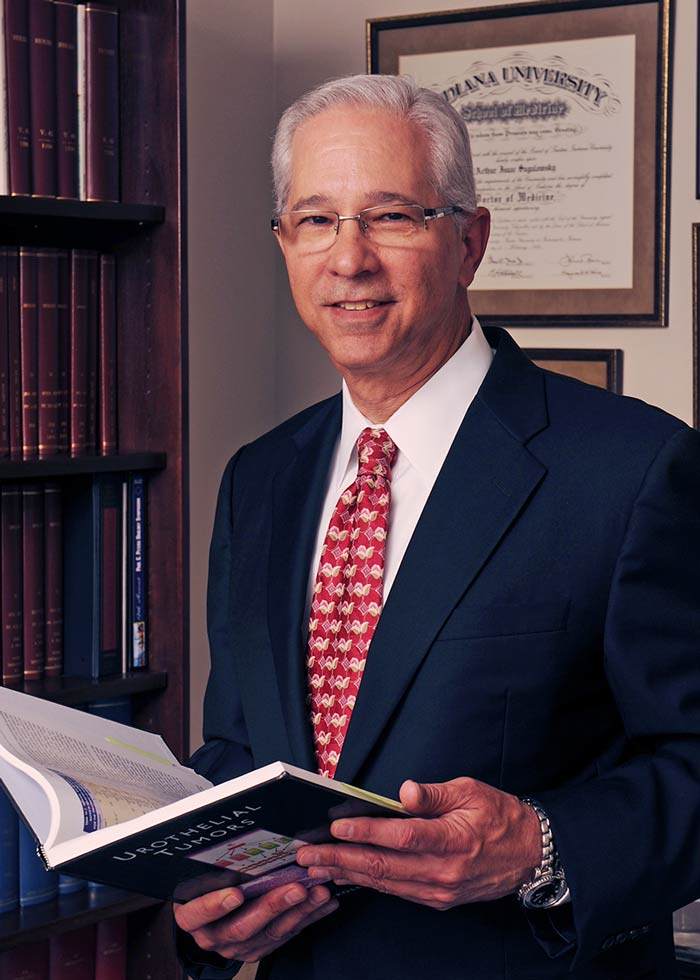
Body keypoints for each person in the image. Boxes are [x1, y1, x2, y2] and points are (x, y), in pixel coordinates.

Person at [175, 74, 700, 979]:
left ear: (470, 242)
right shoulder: (258, 478)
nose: (349, 259)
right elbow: (241, 744)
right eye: (314, 221)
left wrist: (540, 848)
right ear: (284, 244)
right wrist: (203, 886)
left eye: (392, 216)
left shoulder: (633, 468)